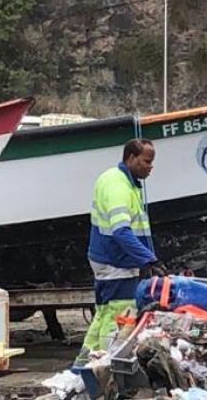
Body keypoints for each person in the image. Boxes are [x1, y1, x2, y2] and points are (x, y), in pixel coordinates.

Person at [76, 138, 167, 365]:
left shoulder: (115, 179)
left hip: (106, 257)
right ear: (131, 158)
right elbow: (121, 231)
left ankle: (83, 363)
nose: (150, 167)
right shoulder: (119, 187)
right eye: (146, 162)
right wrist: (148, 259)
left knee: (104, 313)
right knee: (119, 316)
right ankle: (109, 365)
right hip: (117, 261)